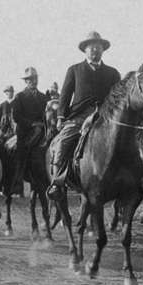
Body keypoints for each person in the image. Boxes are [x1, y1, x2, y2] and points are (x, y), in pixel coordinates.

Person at [46, 31, 121, 201]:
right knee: (63, 142)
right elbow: (65, 95)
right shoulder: (74, 70)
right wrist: (60, 117)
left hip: (105, 117)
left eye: (99, 47)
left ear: (103, 50)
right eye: (91, 47)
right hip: (79, 117)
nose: (95, 50)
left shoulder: (112, 73)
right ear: (85, 50)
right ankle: (57, 182)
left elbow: (118, 97)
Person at [11, 67, 48, 185]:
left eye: (35, 78)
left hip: (42, 129)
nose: (33, 81)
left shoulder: (43, 97)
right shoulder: (19, 97)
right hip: (25, 131)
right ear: (26, 81)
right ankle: (18, 178)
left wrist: (43, 124)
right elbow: (16, 116)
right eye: (30, 79)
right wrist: (32, 124)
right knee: (21, 153)